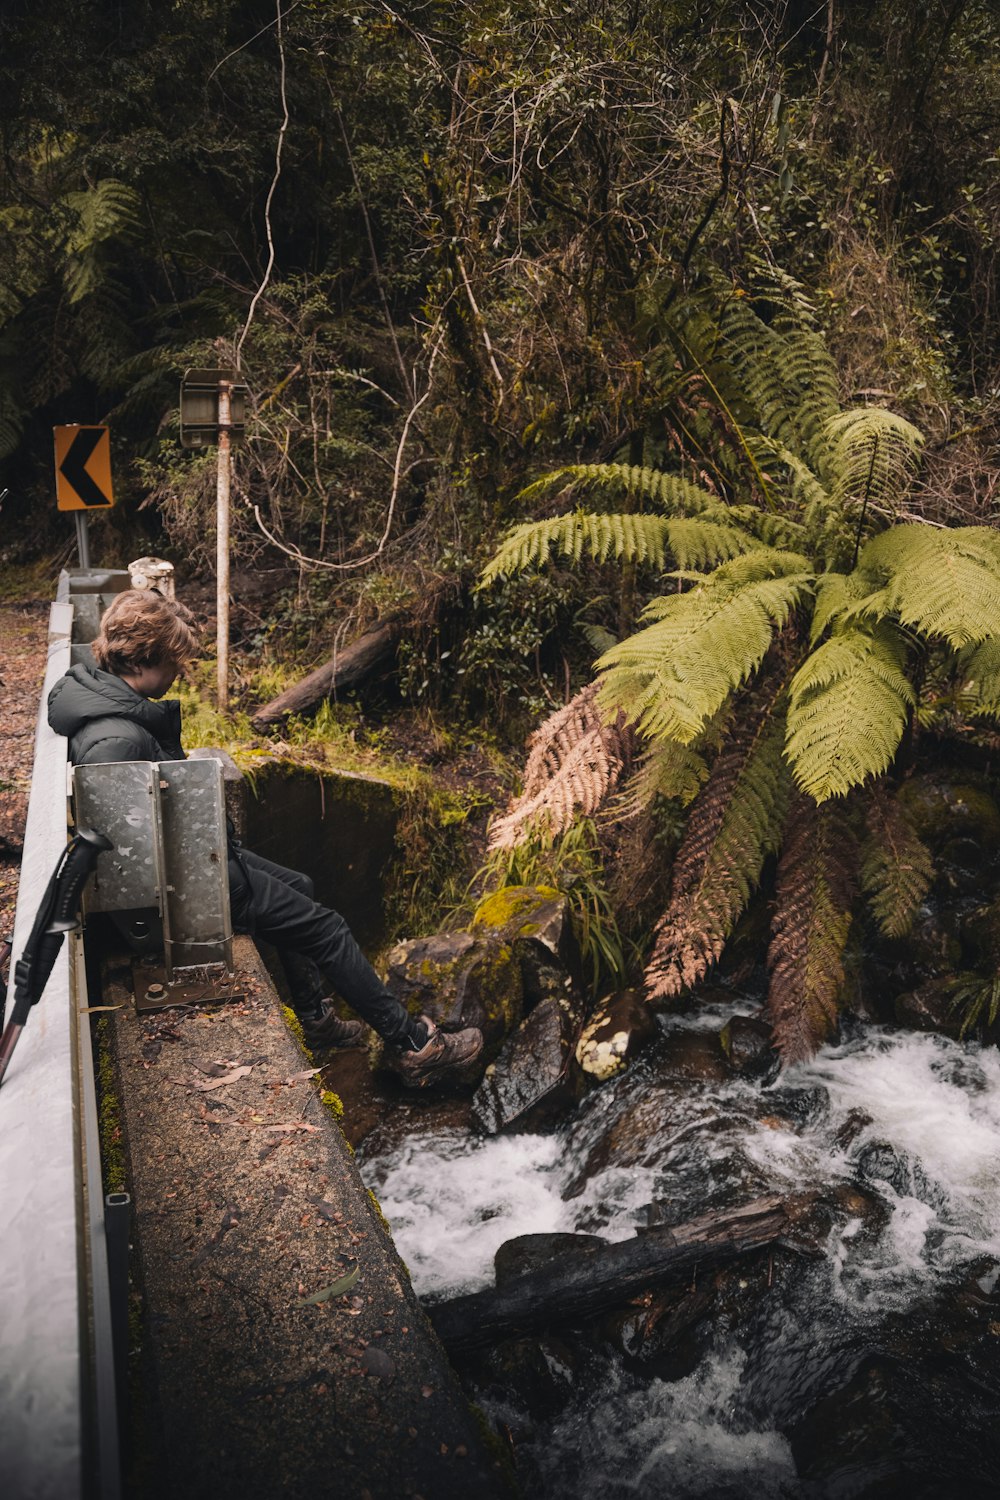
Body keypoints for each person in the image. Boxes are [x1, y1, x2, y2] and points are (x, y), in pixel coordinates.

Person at [47, 589, 483, 1089]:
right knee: (329, 929)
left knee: (300, 883)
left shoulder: (106, 697)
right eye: (176, 661)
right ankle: (412, 1044)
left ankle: (316, 1018)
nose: (180, 673)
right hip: (190, 885)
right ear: (147, 658)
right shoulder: (116, 738)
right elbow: (127, 862)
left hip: (195, 860)